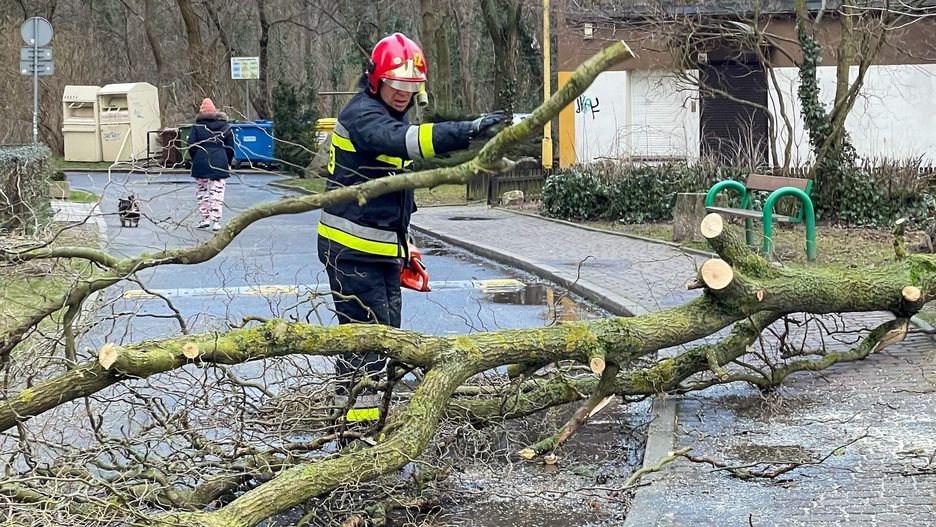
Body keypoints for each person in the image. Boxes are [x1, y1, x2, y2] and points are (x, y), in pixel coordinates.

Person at [317, 32, 507, 431]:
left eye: (410, 87)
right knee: (366, 343)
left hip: (378, 249)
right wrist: (466, 130)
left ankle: (364, 420)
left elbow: (393, 197)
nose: (403, 94)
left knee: (385, 340)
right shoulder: (363, 116)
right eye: (397, 85)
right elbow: (403, 142)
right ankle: (355, 432)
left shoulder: (387, 113)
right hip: (351, 251)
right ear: (376, 80)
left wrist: (405, 248)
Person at [188, 98, 234, 231]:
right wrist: (228, 162)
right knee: (217, 191)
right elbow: (230, 147)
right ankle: (216, 221)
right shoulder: (225, 127)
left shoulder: (197, 126)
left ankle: (205, 218)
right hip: (220, 161)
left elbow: (191, 144)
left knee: (202, 190)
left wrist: (196, 157)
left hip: (201, 161)